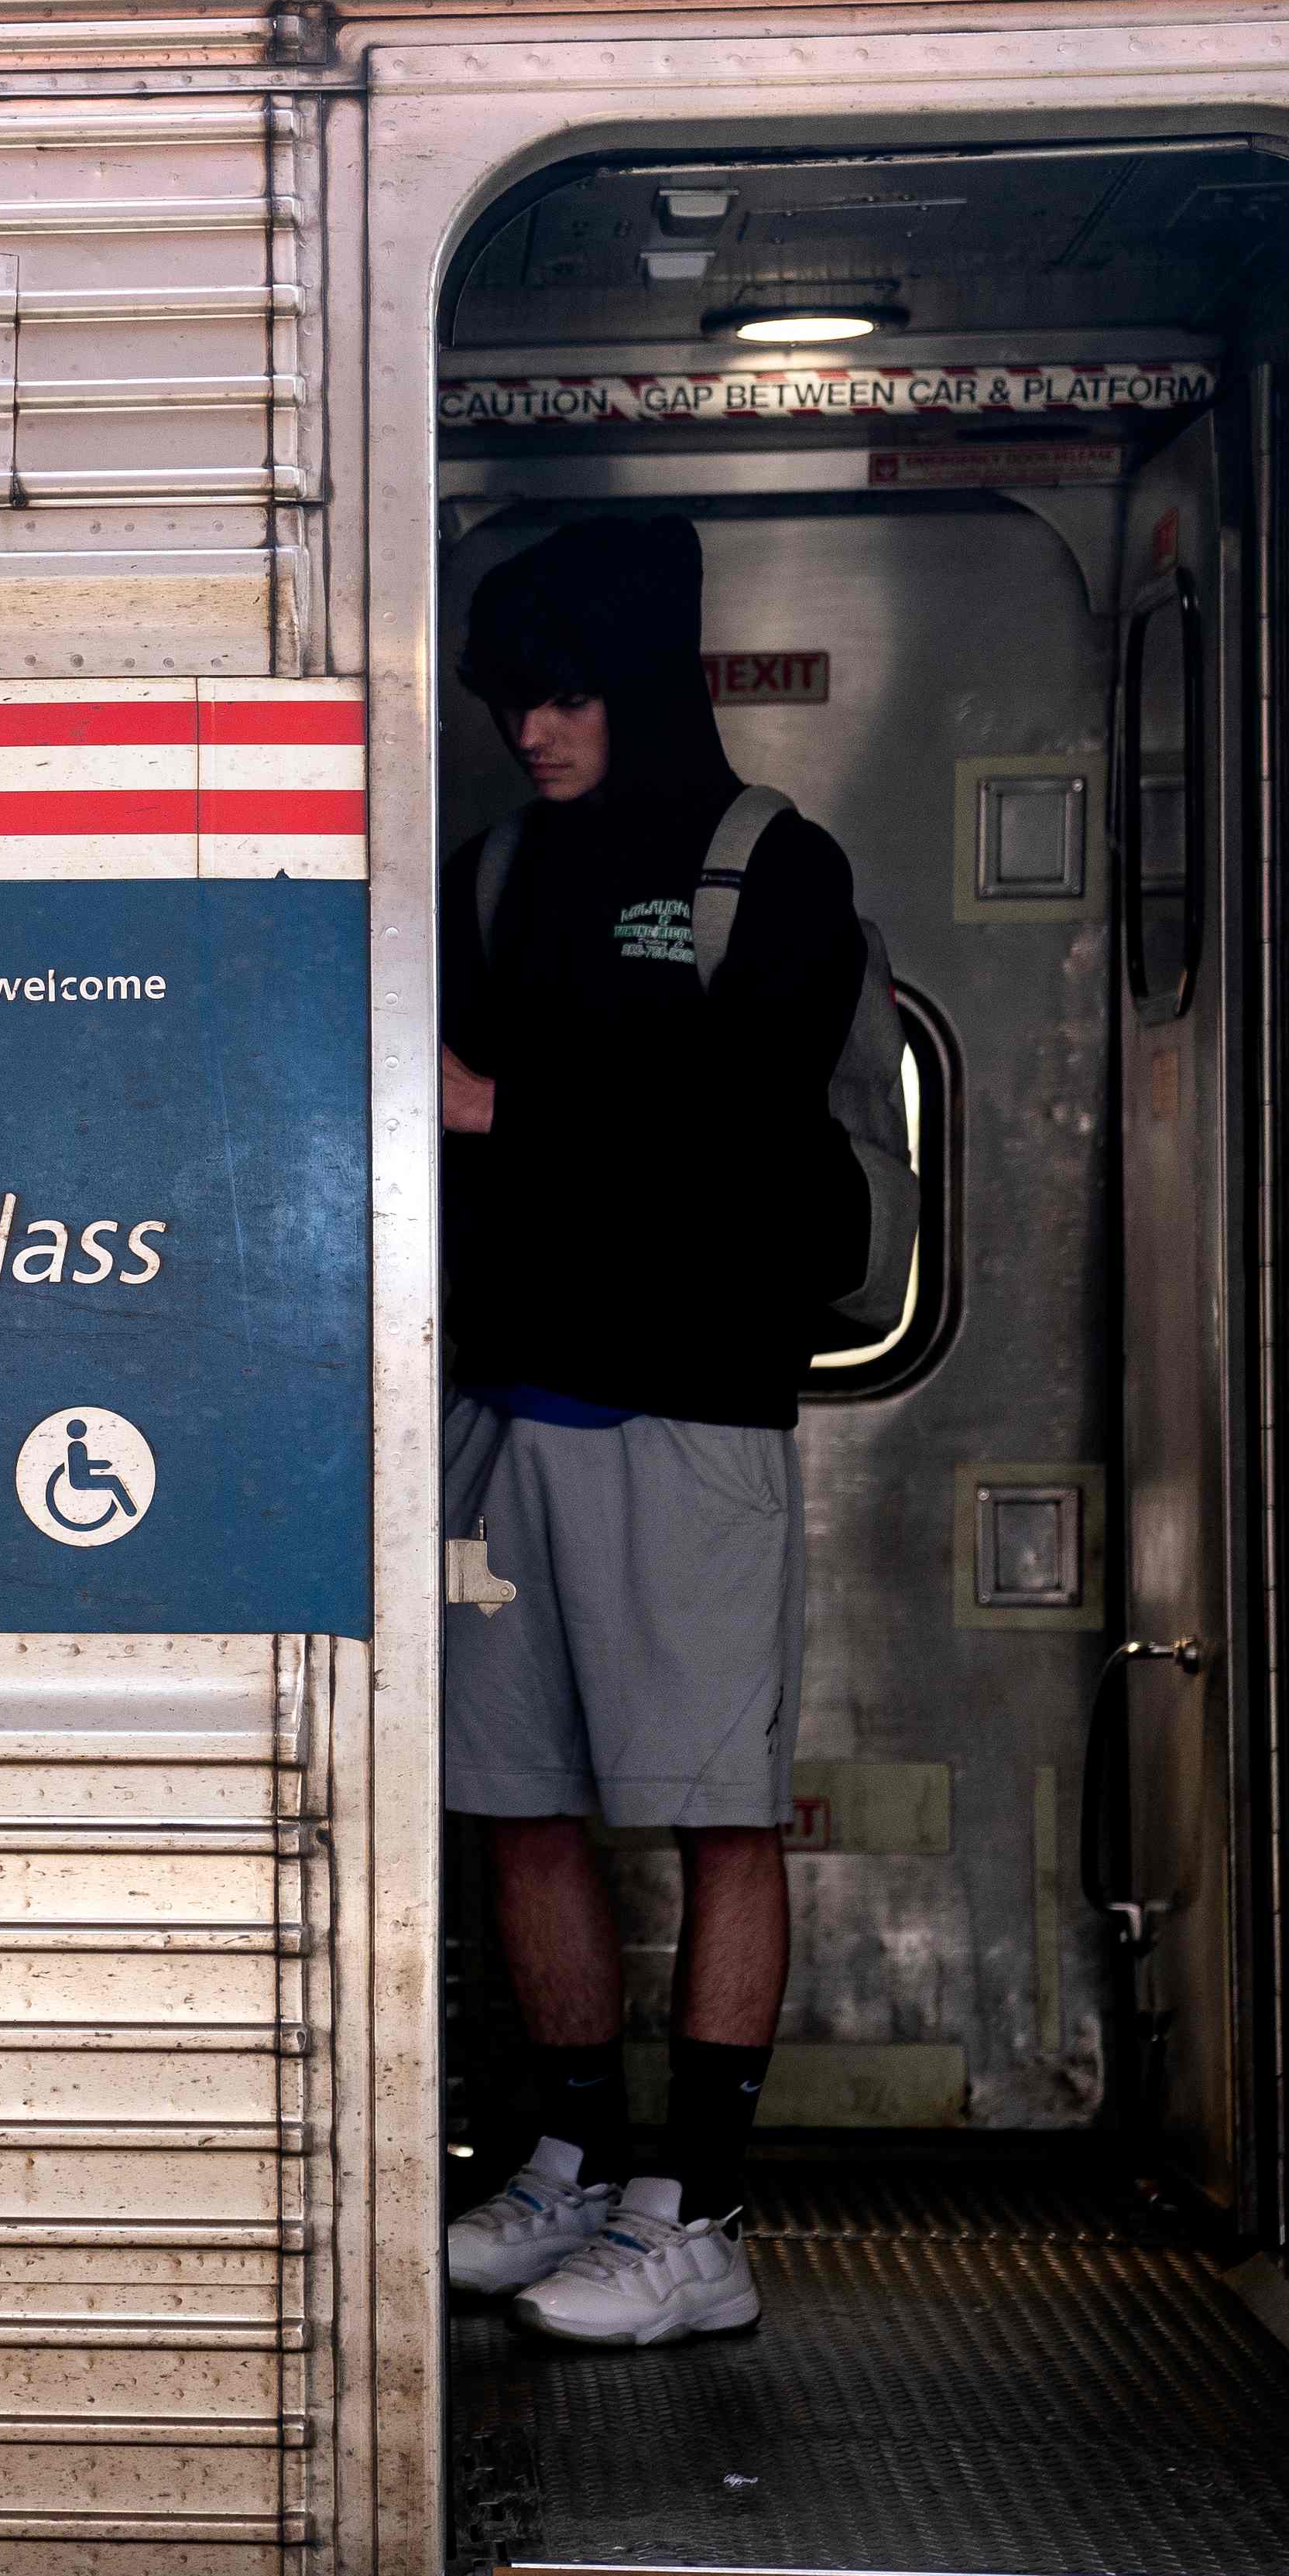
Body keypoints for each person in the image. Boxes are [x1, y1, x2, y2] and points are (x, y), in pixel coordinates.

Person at [434, 512, 869, 2348]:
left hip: (690, 1410)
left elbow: (748, 1114)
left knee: (712, 1812)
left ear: (642, 680)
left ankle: (698, 2218)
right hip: (495, 1405)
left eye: (563, 691)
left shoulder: (770, 862)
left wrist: (502, 1103)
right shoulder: (494, 867)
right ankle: (569, 2168)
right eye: (510, 698)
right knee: (513, 1805)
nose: (532, 728)